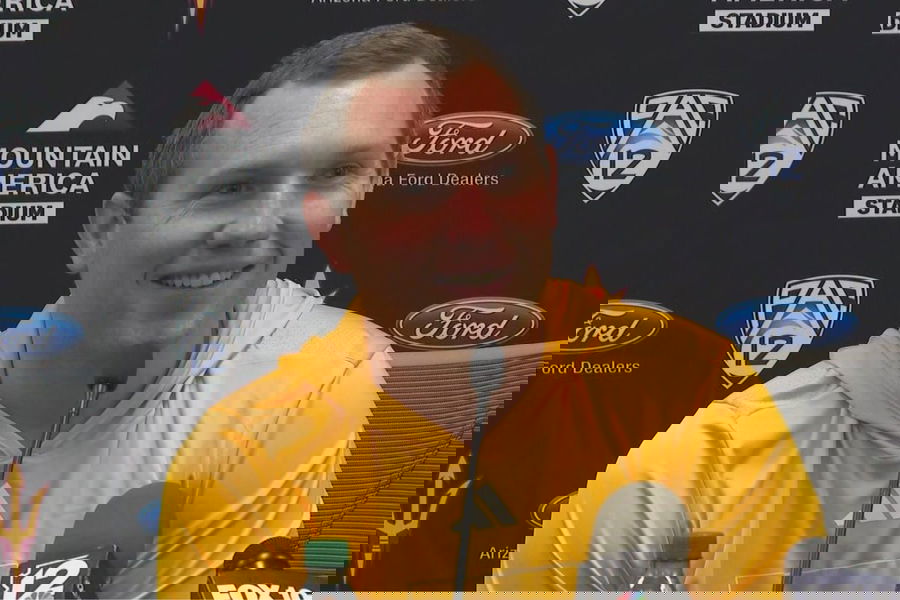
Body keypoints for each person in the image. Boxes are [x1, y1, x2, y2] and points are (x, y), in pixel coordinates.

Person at [0, 24, 442, 597]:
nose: (260, 232)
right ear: (104, 229)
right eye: (232, 189)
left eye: (331, 178)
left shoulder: (321, 367)